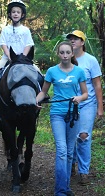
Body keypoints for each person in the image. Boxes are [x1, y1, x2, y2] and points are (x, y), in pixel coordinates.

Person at [36, 41, 88, 196]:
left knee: (70, 152)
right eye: (62, 52)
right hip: (57, 114)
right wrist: (36, 100)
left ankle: (65, 187)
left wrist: (79, 98)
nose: (65, 55)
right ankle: (60, 191)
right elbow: (43, 92)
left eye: (67, 52)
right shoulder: (52, 71)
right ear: (58, 54)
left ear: (72, 54)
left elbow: (85, 94)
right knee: (61, 150)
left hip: (73, 114)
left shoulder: (79, 72)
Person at [66, 30, 104, 185]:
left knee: (83, 136)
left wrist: (100, 107)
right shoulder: (66, 59)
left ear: (82, 42)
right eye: (70, 39)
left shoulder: (91, 60)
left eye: (76, 39)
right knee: (71, 136)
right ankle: (72, 163)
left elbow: (97, 85)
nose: (73, 41)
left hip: (88, 104)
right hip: (70, 105)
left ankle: (83, 171)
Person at [0, 0, 40, 83]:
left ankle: (42, 93)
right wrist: (9, 56)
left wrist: (23, 57)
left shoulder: (25, 30)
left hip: (23, 58)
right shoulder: (5, 30)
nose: (15, 14)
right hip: (7, 58)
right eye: (13, 12)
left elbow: (28, 45)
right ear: (9, 14)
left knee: (38, 71)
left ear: (22, 15)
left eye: (18, 12)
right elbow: (3, 44)